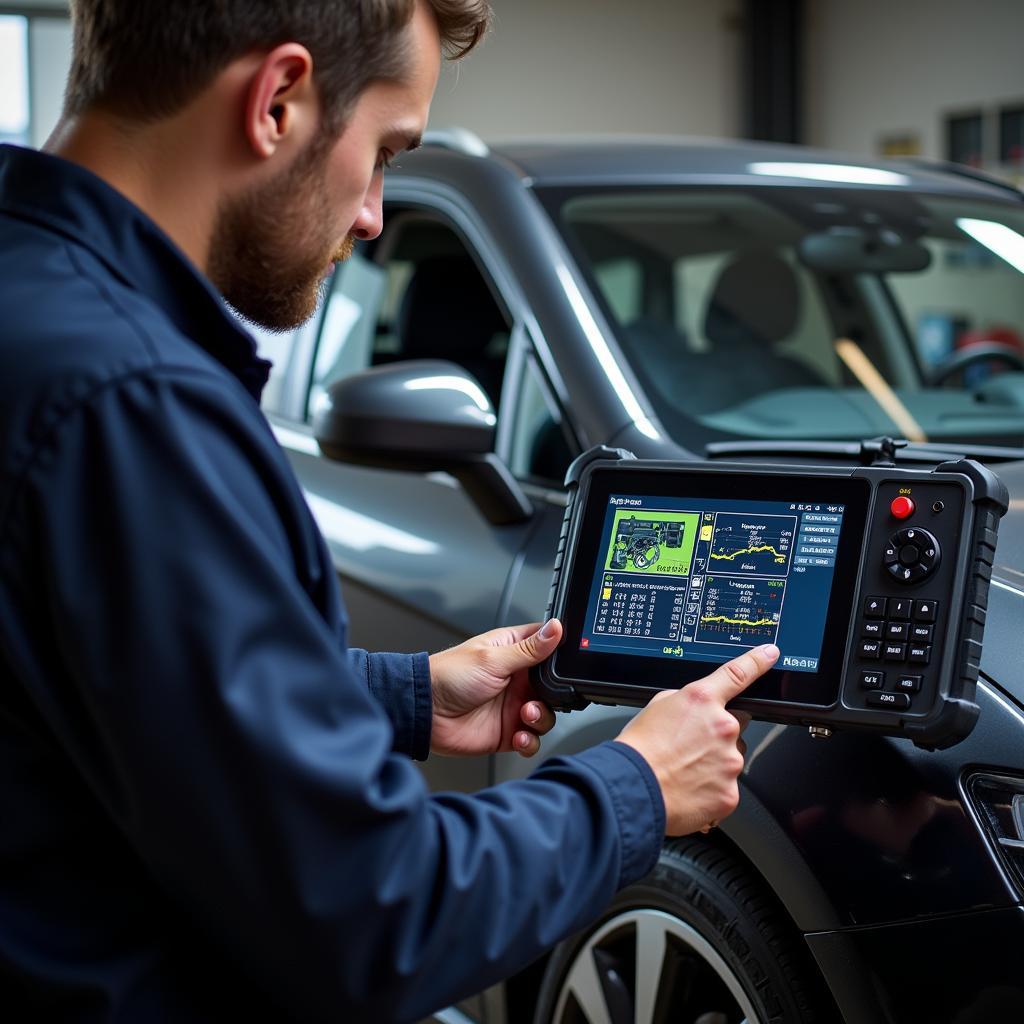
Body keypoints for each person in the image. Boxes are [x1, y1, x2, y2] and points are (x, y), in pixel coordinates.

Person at [0, 1, 778, 1020]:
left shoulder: (35, 309)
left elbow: (94, 695)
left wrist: (405, 695)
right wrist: (636, 785)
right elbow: (373, 918)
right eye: (383, 151)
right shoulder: (136, 401)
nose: (372, 213)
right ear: (277, 99)